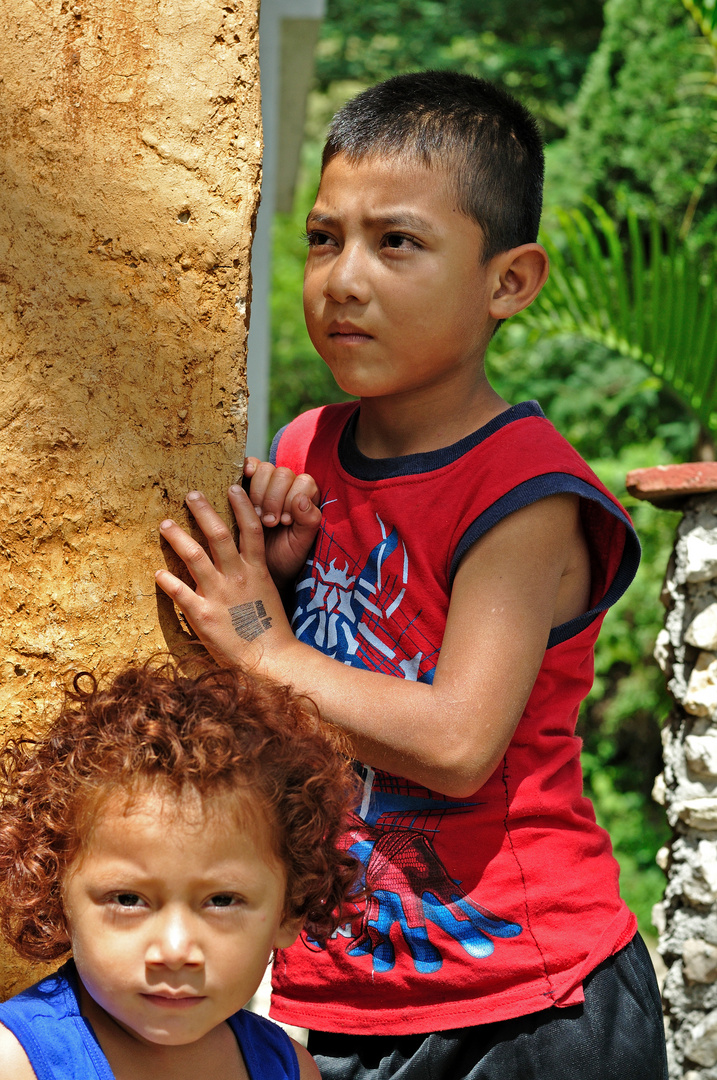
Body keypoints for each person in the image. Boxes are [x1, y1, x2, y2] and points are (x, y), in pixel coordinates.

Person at [154, 71, 668, 1079]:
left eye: (398, 243)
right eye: (323, 238)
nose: (344, 278)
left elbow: (459, 743)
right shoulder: (311, 447)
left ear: (509, 281)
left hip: (529, 1007)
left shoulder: (524, 488)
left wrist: (266, 641)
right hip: (352, 997)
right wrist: (290, 574)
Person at [0, 661, 358, 1080]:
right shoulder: (16, 1064)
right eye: (128, 899)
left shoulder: (291, 1069)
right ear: (56, 898)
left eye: (222, 900)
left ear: (290, 910)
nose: (174, 951)